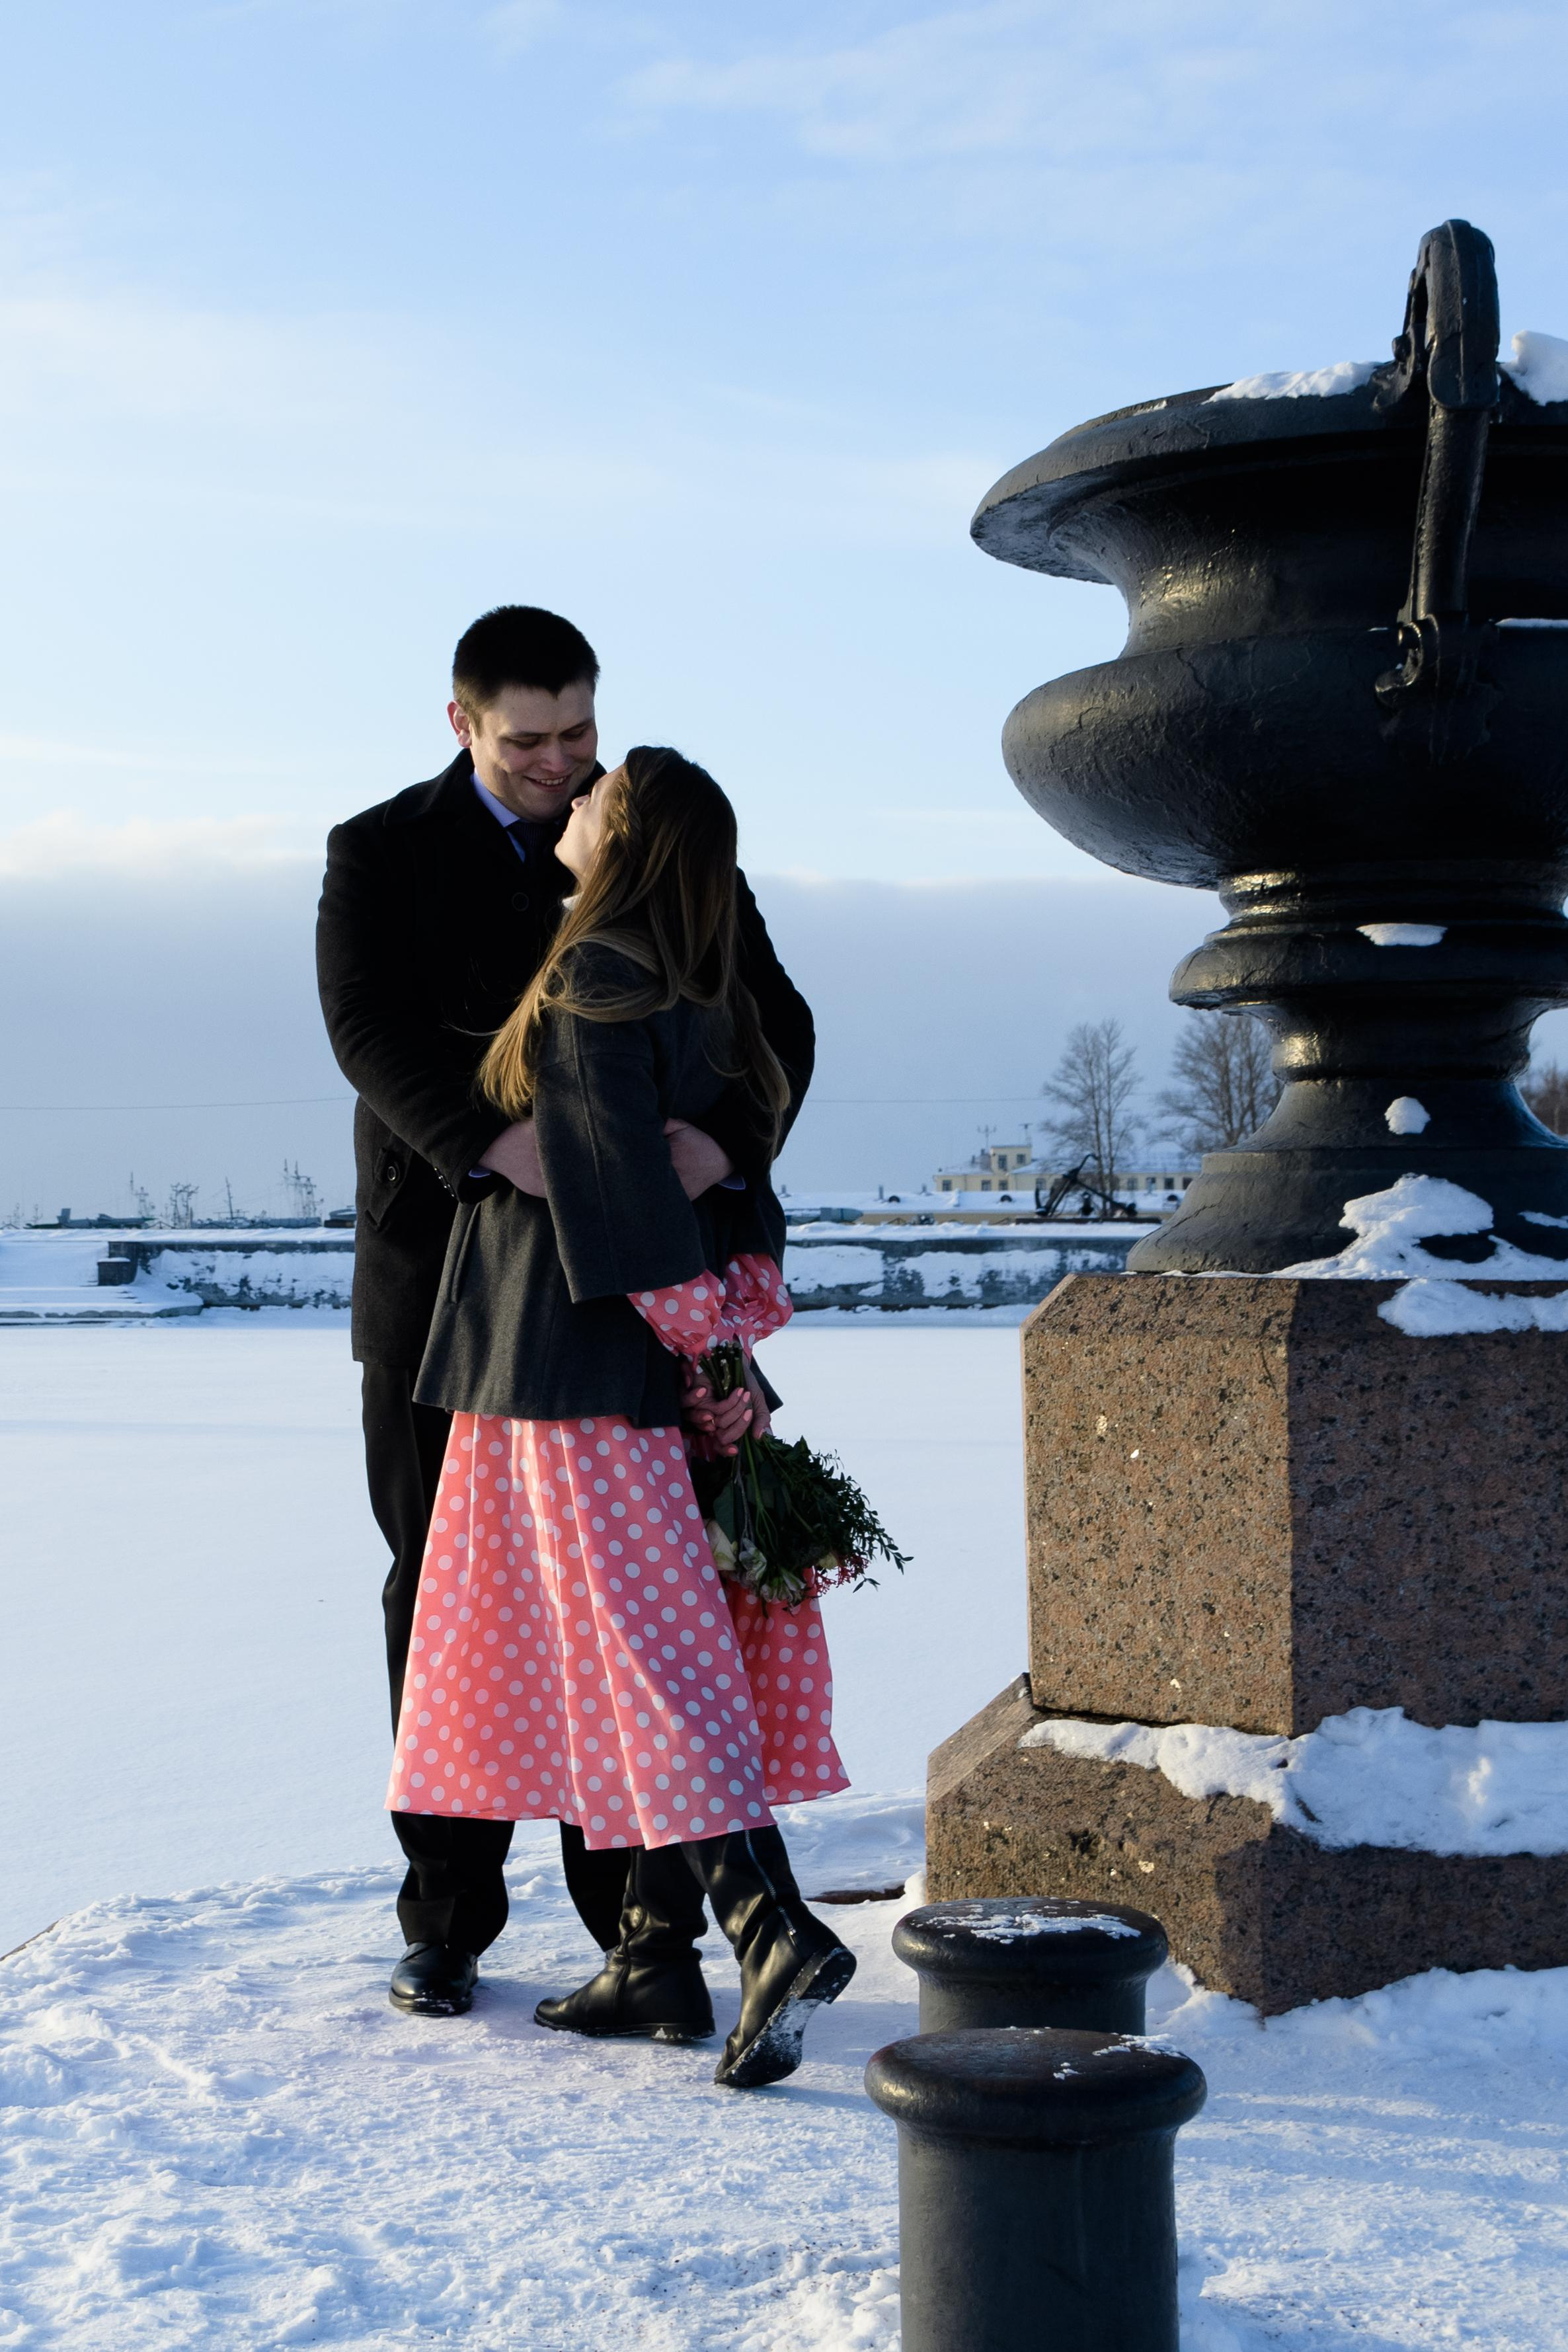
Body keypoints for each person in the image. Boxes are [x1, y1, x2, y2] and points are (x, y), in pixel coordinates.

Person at [316, 608, 815, 2015]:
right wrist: (492, 1145)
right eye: (528, 738)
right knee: (442, 1588)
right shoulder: (381, 851)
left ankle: (634, 1928)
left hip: (625, 1300)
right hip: (444, 1276)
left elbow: (773, 1020)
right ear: (462, 723)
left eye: (578, 731)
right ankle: (448, 1915)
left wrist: (725, 1146)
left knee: (634, 1600)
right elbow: (366, 1030)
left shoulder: (648, 831)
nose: (559, 761)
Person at [391, 746, 855, 2088]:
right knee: (648, 1642)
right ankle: (653, 1957)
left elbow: (614, 1191)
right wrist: (719, 1341)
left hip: (571, 1366)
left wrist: (701, 1343)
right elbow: (726, 1177)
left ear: (628, 839)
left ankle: (767, 1926)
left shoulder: (597, 975)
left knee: (642, 1651)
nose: (576, 796)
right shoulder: (705, 993)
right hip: (652, 1358)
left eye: (597, 795)